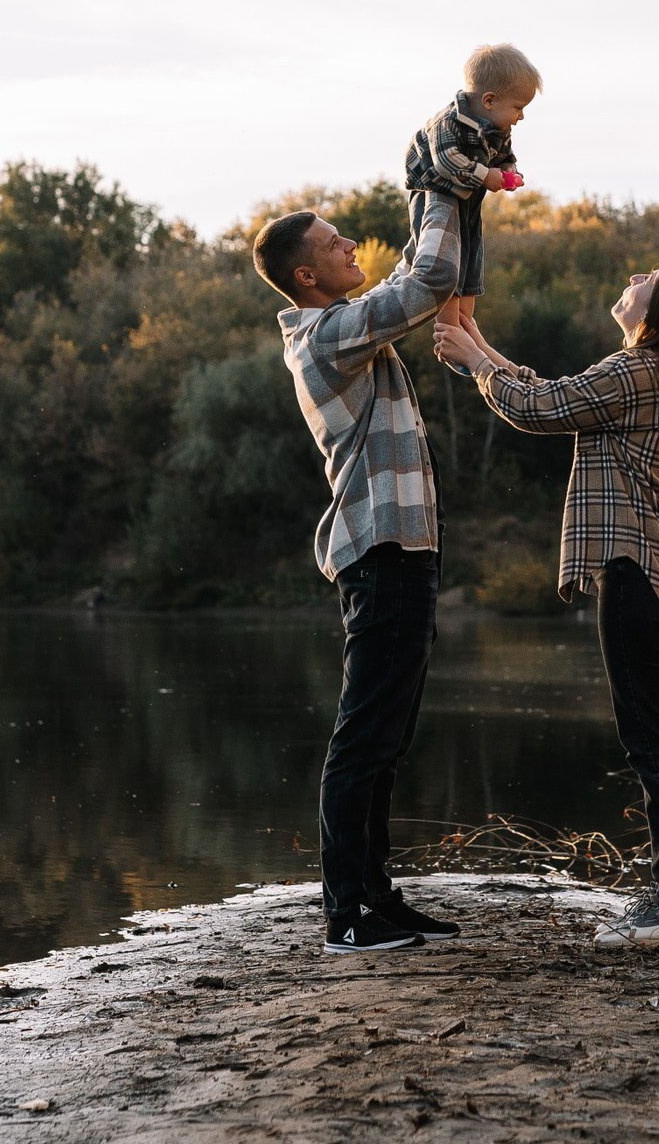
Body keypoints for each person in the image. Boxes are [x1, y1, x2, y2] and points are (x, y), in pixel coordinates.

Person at [433, 262, 659, 952]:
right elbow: (556, 395)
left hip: (638, 574)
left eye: (652, 276)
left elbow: (539, 410)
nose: (634, 272)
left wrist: (476, 359)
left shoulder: (636, 371)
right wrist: (483, 347)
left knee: (654, 743)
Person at [252, 195, 465, 955]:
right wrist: (436, 188)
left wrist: (459, 195)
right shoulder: (329, 335)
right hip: (379, 556)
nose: (350, 244)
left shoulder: (342, 324)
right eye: (335, 242)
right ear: (306, 275)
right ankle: (346, 914)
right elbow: (427, 279)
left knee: (387, 735)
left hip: (401, 553)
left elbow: (419, 272)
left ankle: (375, 895)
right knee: (362, 738)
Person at [403, 43, 539, 368]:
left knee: (471, 256)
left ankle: (467, 327)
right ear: (489, 101)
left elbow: (505, 158)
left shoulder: (497, 127)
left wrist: (508, 173)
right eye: (518, 107)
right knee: (446, 259)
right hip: (434, 195)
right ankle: (449, 329)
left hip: (467, 199)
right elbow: (446, 162)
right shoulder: (446, 123)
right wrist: (485, 174)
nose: (521, 116)